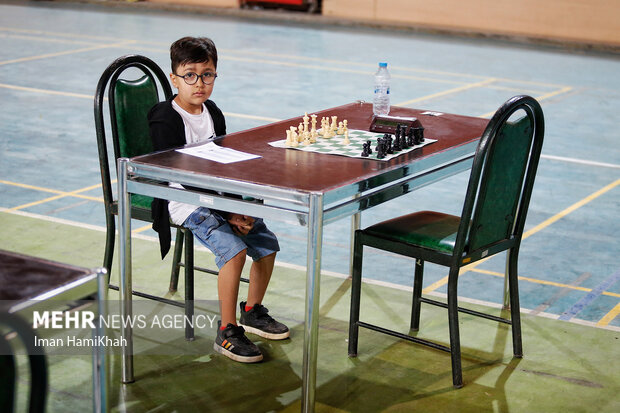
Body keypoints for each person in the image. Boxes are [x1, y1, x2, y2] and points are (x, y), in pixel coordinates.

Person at [148, 36, 289, 363]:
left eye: (207, 74)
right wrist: (227, 213)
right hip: (181, 200)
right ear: (174, 78)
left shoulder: (213, 112)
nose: (199, 83)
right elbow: (179, 175)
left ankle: (252, 311)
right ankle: (227, 330)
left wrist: (241, 208)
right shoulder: (164, 118)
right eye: (190, 75)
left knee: (266, 243)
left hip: (218, 198)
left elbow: (225, 164)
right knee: (235, 252)